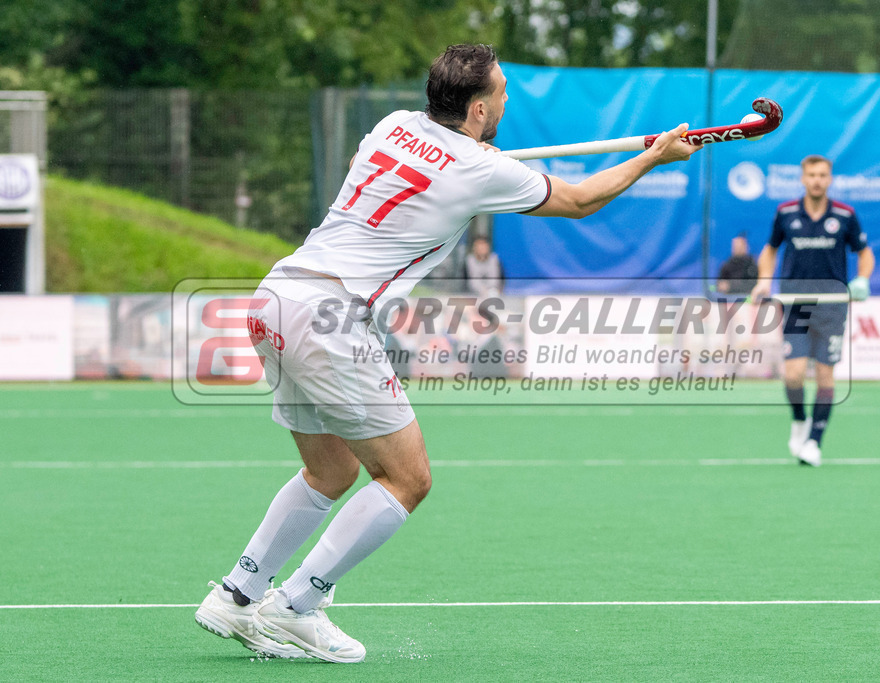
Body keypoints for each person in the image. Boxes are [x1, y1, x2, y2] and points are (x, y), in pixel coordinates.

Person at [194, 43, 703, 663]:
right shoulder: (483, 170)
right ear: (482, 107)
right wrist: (654, 158)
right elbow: (580, 200)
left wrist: (467, 160)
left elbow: (377, 166)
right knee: (407, 478)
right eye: (504, 92)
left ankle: (239, 592)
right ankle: (298, 606)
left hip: (275, 296)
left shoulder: (394, 126)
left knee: (331, 472)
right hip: (330, 318)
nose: (508, 99)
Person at [750, 154, 874, 467]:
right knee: (792, 375)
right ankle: (798, 420)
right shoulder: (786, 213)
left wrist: (862, 279)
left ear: (829, 179)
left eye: (822, 175)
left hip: (832, 307)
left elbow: (865, 253)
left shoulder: (845, 215)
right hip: (796, 304)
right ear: (803, 179)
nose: (817, 180)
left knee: (824, 375)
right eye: (812, 175)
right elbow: (770, 250)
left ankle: (815, 443)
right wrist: (764, 281)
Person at [715, 231, 758, 296]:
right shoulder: (727, 265)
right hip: (728, 300)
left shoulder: (751, 265)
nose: (736, 247)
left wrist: (730, 286)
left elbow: (753, 285)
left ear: (745, 246)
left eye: (739, 245)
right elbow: (720, 284)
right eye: (735, 245)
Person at [464, 235, 504, 299]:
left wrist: (492, 291)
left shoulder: (494, 259)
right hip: (473, 295)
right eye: (479, 247)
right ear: (474, 248)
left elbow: (498, 279)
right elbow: (471, 282)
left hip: (493, 293)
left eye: (484, 247)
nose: (482, 249)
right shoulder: (469, 261)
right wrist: (482, 291)